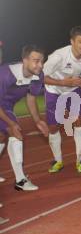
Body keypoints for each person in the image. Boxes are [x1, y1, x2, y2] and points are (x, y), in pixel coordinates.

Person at [44, 26, 81, 173]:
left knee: (78, 122)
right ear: (72, 42)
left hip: (73, 90)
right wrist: (62, 83)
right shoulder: (58, 56)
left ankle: (80, 160)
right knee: (53, 127)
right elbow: (41, 77)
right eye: (80, 42)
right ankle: (58, 161)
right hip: (54, 90)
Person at [0, 45, 48, 191]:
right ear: (25, 60)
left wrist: (38, 121)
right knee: (16, 134)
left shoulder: (38, 75)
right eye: (36, 61)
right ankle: (20, 180)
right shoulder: (6, 74)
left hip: (6, 106)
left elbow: (31, 98)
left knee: (2, 136)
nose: (40, 65)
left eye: (42, 61)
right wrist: (10, 124)